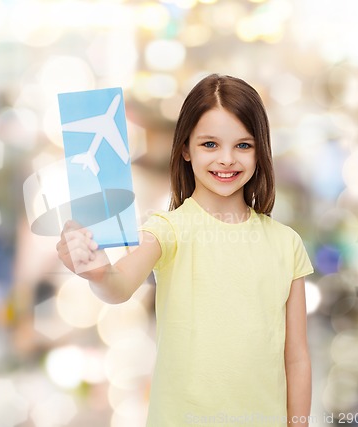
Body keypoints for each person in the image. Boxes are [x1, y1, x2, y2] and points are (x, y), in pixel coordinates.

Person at [56, 74, 314, 427]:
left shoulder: (287, 244)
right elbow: (118, 286)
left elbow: (296, 358)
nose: (226, 159)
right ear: (185, 149)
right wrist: (98, 271)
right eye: (210, 144)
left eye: (243, 145)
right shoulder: (168, 230)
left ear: (261, 150)